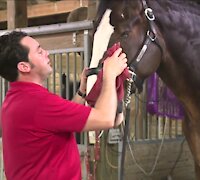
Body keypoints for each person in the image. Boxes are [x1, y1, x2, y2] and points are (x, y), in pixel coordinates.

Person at [0, 31, 128, 180]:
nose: (46, 53)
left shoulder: (16, 98)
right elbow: (105, 118)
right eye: (39, 51)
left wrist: (81, 91)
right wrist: (110, 75)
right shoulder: (38, 103)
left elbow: (60, 120)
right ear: (24, 67)